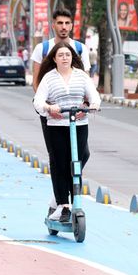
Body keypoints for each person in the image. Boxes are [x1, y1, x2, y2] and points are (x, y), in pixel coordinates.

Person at [33, 42, 101, 221]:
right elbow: (38, 101)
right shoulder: (48, 78)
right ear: (54, 59)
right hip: (56, 126)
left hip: (79, 125)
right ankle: (63, 204)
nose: (64, 57)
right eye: (61, 55)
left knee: (79, 158)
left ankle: (61, 196)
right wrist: (49, 107)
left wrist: (90, 106)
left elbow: (94, 96)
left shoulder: (81, 76)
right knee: (59, 162)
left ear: (72, 58)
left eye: (67, 54)